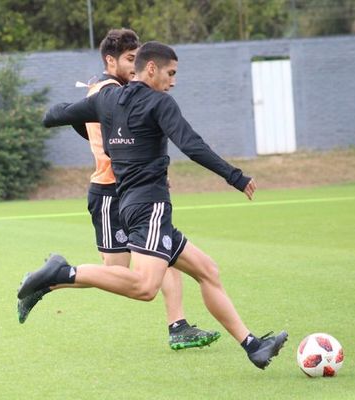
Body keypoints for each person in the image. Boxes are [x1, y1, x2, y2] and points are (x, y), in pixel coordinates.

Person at [17, 41, 287, 370]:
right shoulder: (160, 104)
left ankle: (253, 346)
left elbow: (53, 116)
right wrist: (235, 176)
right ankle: (63, 271)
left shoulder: (106, 98)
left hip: (130, 203)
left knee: (207, 270)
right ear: (151, 69)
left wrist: (93, 126)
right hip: (151, 204)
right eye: (170, 73)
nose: (173, 81)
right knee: (145, 287)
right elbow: (191, 144)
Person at [18, 29, 220, 350]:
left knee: (163, 252)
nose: (134, 64)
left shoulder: (120, 91)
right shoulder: (107, 90)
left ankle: (177, 324)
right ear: (110, 60)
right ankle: (52, 280)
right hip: (113, 191)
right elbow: (83, 126)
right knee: (117, 273)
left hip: (131, 190)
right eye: (129, 59)